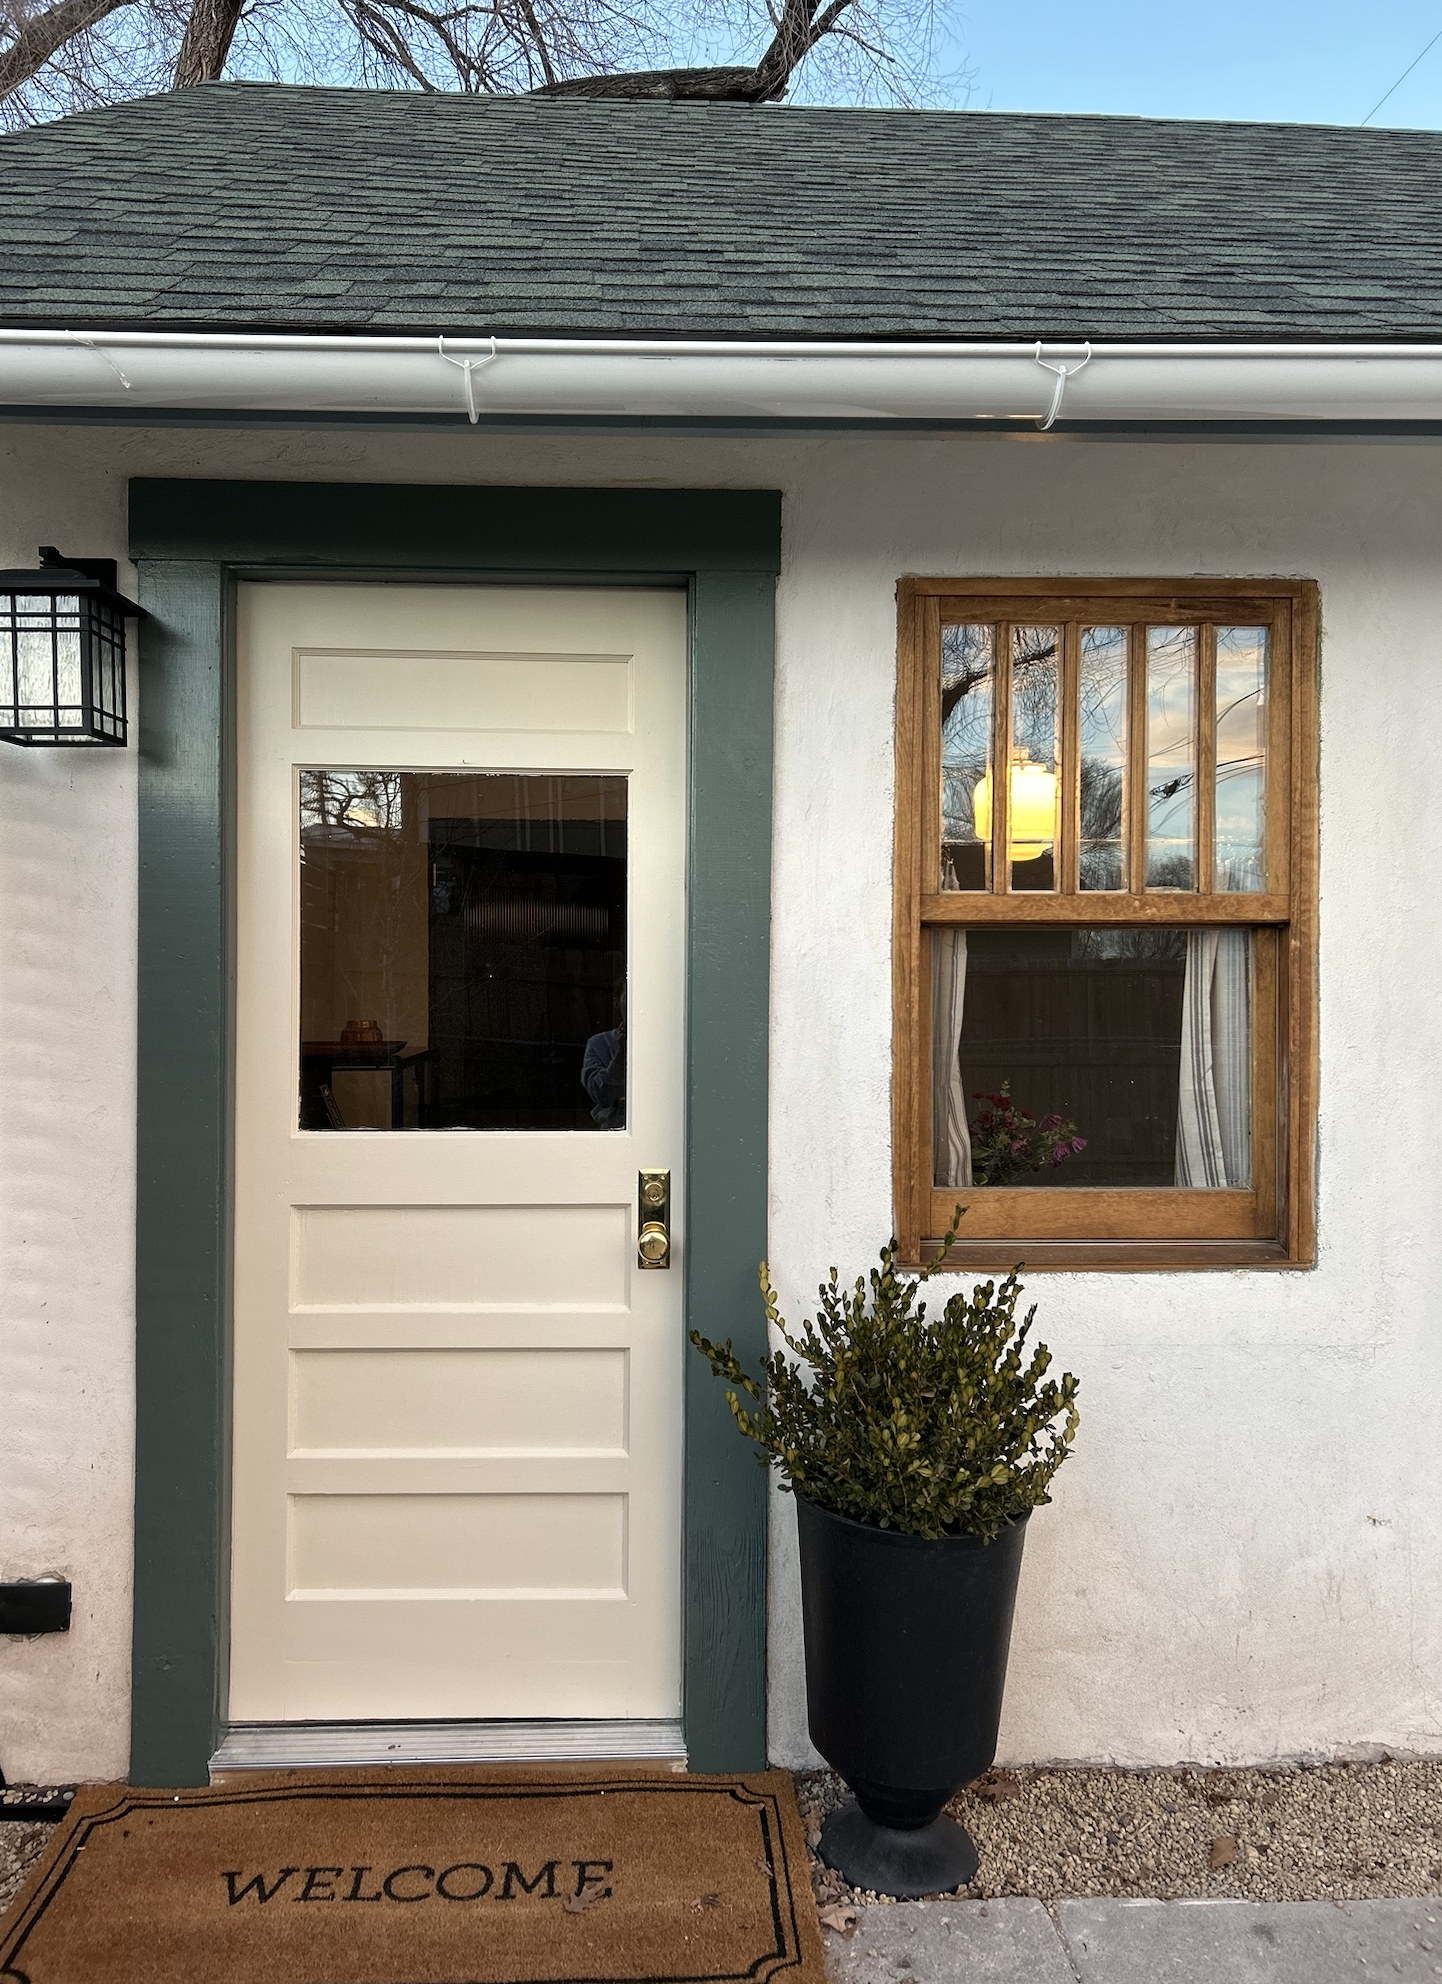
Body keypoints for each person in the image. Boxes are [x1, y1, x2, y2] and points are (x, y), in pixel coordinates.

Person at [581, 983, 626, 1129]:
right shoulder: (599, 1044)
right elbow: (601, 1096)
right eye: (630, 997)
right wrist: (620, 1055)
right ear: (617, 1002)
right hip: (612, 1133)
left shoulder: (664, 1046)